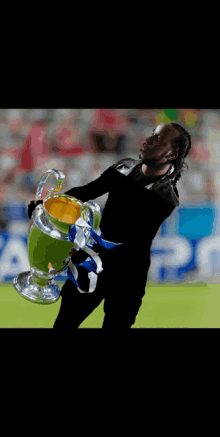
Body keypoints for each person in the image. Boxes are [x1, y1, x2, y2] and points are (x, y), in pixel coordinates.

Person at [28, 122, 192, 329]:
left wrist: (81, 243)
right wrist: (45, 206)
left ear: (172, 155)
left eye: (159, 139)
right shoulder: (124, 167)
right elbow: (86, 192)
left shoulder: (166, 196)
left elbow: (128, 235)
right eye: (152, 134)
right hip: (94, 260)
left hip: (127, 272)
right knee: (64, 324)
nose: (148, 140)